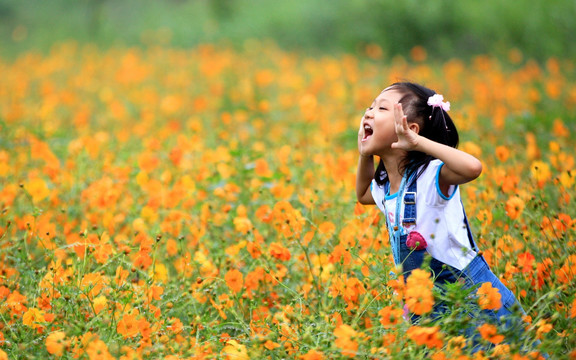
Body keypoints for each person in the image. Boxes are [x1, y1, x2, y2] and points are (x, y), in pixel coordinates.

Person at [355, 82, 543, 354]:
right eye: (370, 107)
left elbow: (473, 167)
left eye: (381, 108)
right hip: (428, 306)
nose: (368, 113)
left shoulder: (432, 176)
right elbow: (362, 194)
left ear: (411, 129)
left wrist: (419, 144)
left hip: (474, 299)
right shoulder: (385, 188)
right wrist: (364, 154)